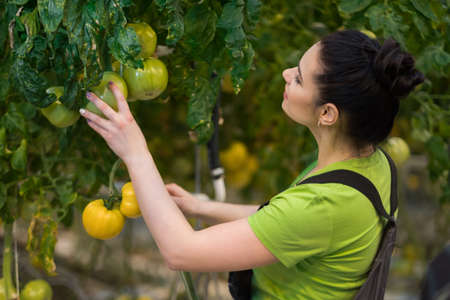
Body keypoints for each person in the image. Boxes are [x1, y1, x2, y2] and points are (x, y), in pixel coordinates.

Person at [79, 30, 424, 299]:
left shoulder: (326, 204)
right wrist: (200, 206)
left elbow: (181, 253)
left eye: (300, 78)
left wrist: (136, 151)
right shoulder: (371, 165)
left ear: (328, 113)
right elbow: (281, 221)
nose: (287, 74)